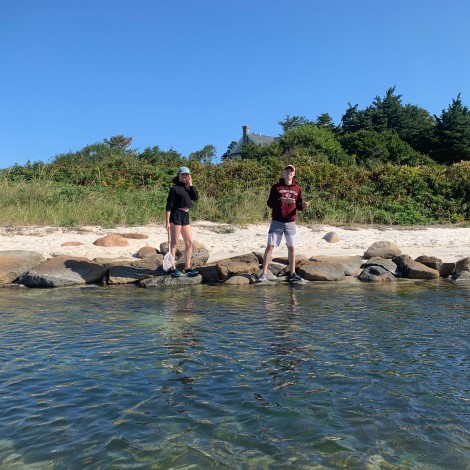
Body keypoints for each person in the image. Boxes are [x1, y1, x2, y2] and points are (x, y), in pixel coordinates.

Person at [257, 164, 309, 283]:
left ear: (294, 173)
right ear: (284, 173)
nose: (289, 173)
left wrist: (304, 206)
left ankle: (292, 274)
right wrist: (280, 200)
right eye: (287, 171)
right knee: (270, 246)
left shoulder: (298, 188)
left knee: (291, 247)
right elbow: (269, 203)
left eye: (291, 171)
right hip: (277, 221)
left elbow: (299, 206)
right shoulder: (276, 187)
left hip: (291, 222)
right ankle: (263, 273)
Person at [165, 166, 199, 277]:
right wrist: (167, 222)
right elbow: (169, 205)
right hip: (176, 215)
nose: (184, 176)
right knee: (174, 244)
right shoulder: (174, 188)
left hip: (186, 216)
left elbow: (196, 198)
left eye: (186, 175)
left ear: (189, 176)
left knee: (189, 243)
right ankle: (172, 268)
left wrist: (191, 185)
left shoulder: (188, 188)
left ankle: (187, 268)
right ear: (178, 175)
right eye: (182, 174)